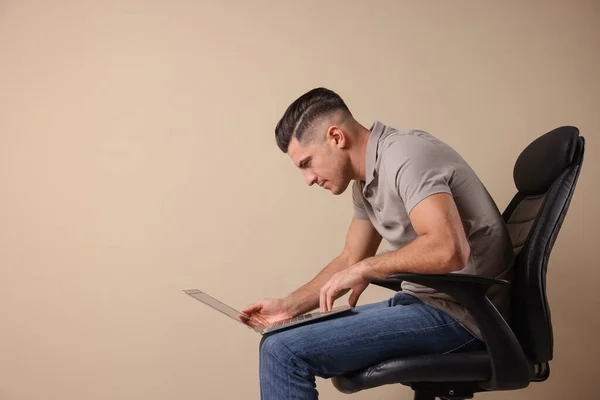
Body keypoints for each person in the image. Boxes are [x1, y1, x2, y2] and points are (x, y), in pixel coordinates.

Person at [242, 88, 514, 400]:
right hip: (426, 304)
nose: (308, 179)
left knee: (283, 350)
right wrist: (287, 308)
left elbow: (448, 249)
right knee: (279, 337)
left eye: (307, 163)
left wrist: (367, 269)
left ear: (336, 137)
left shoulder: (406, 156)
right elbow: (350, 259)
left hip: (464, 317)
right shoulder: (366, 183)